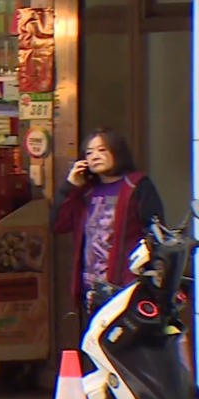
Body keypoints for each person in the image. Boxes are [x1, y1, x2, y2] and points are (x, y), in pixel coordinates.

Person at [52, 127, 164, 327]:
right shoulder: (85, 191)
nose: (95, 156)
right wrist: (70, 186)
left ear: (117, 152)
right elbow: (59, 224)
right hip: (91, 290)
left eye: (102, 150)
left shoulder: (137, 185)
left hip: (126, 287)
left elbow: (157, 232)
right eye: (89, 152)